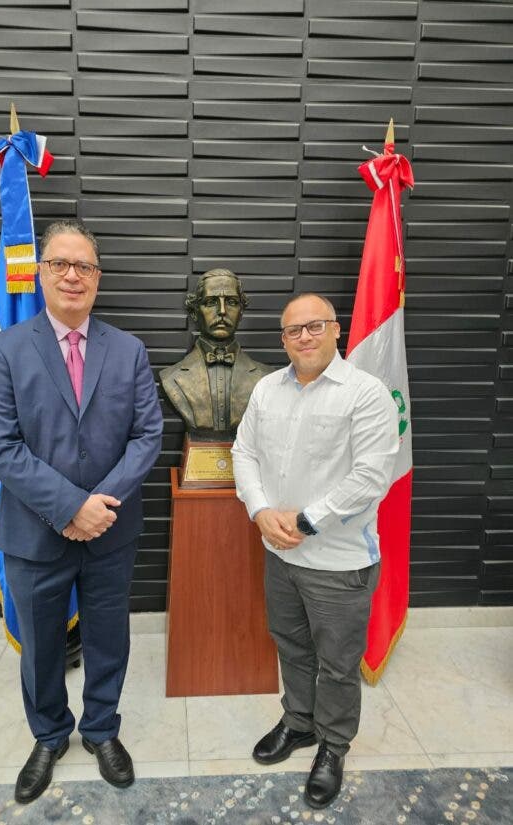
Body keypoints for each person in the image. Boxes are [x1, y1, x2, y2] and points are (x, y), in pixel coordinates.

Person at [0, 220, 163, 804]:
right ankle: (49, 734)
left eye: (85, 266)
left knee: (109, 637)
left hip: (110, 530)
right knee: (41, 644)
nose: (73, 275)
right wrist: (71, 508)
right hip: (35, 532)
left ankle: (102, 729)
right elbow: (0, 444)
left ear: (98, 278)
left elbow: (147, 435)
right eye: (61, 263)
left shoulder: (128, 350)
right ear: (42, 273)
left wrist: (98, 506)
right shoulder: (6, 348)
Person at [231, 293, 399, 809]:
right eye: (292, 330)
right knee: (291, 646)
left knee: (338, 664)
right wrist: (260, 511)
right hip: (280, 553)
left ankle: (332, 745)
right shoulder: (266, 390)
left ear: (336, 330)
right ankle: (299, 722)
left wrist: (305, 521)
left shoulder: (366, 393)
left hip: (338, 561)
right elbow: (244, 453)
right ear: (282, 340)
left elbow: (371, 476)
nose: (303, 336)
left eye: (314, 326)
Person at [160, 268, 271, 437]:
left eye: (232, 302)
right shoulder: (171, 377)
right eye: (211, 302)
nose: (222, 311)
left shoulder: (266, 378)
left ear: (241, 312)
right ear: (194, 312)